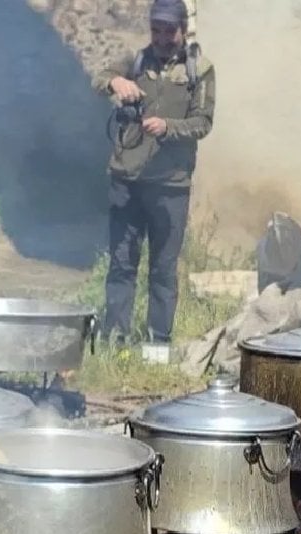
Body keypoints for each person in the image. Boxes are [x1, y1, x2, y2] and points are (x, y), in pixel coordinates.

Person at [92, 0, 215, 345]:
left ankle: (157, 343)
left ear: (183, 30)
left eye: (169, 31)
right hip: (127, 180)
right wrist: (116, 82)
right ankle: (115, 339)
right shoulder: (136, 61)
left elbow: (203, 123)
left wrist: (168, 127)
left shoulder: (199, 70)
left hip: (170, 185)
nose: (162, 38)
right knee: (121, 265)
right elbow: (98, 78)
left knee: (162, 270)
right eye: (156, 30)